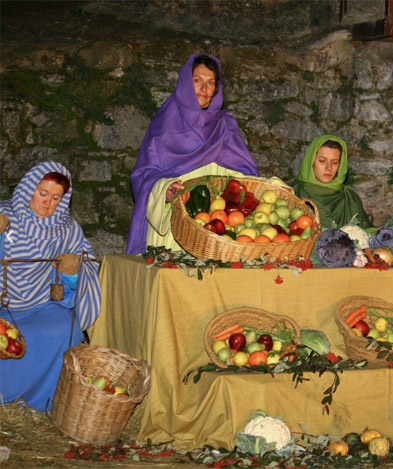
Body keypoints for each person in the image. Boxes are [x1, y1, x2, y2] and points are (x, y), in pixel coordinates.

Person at [126, 54, 260, 254]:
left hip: (219, 232)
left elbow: (246, 173)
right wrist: (165, 188)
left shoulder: (225, 125)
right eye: (197, 81)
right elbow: (144, 173)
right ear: (186, 83)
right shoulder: (166, 122)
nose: (204, 90)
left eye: (211, 83)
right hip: (175, 229)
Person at [0, 161, 101, 411]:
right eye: (42, 193)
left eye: (56, 197)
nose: (47, 203)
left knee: (68, 330)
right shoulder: (5, 216)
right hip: (5, 305)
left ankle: (43, 400)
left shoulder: (67, 230)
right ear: (28, 189)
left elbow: (88, 265)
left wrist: (71, 273)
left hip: (41, 305)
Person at [291, 135, 372, 230]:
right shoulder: (292, 193)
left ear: (340, 166)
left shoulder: (350, 199)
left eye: (334, 162)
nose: (328, 167)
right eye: (322, 161)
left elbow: (368, 232)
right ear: (311, 161)